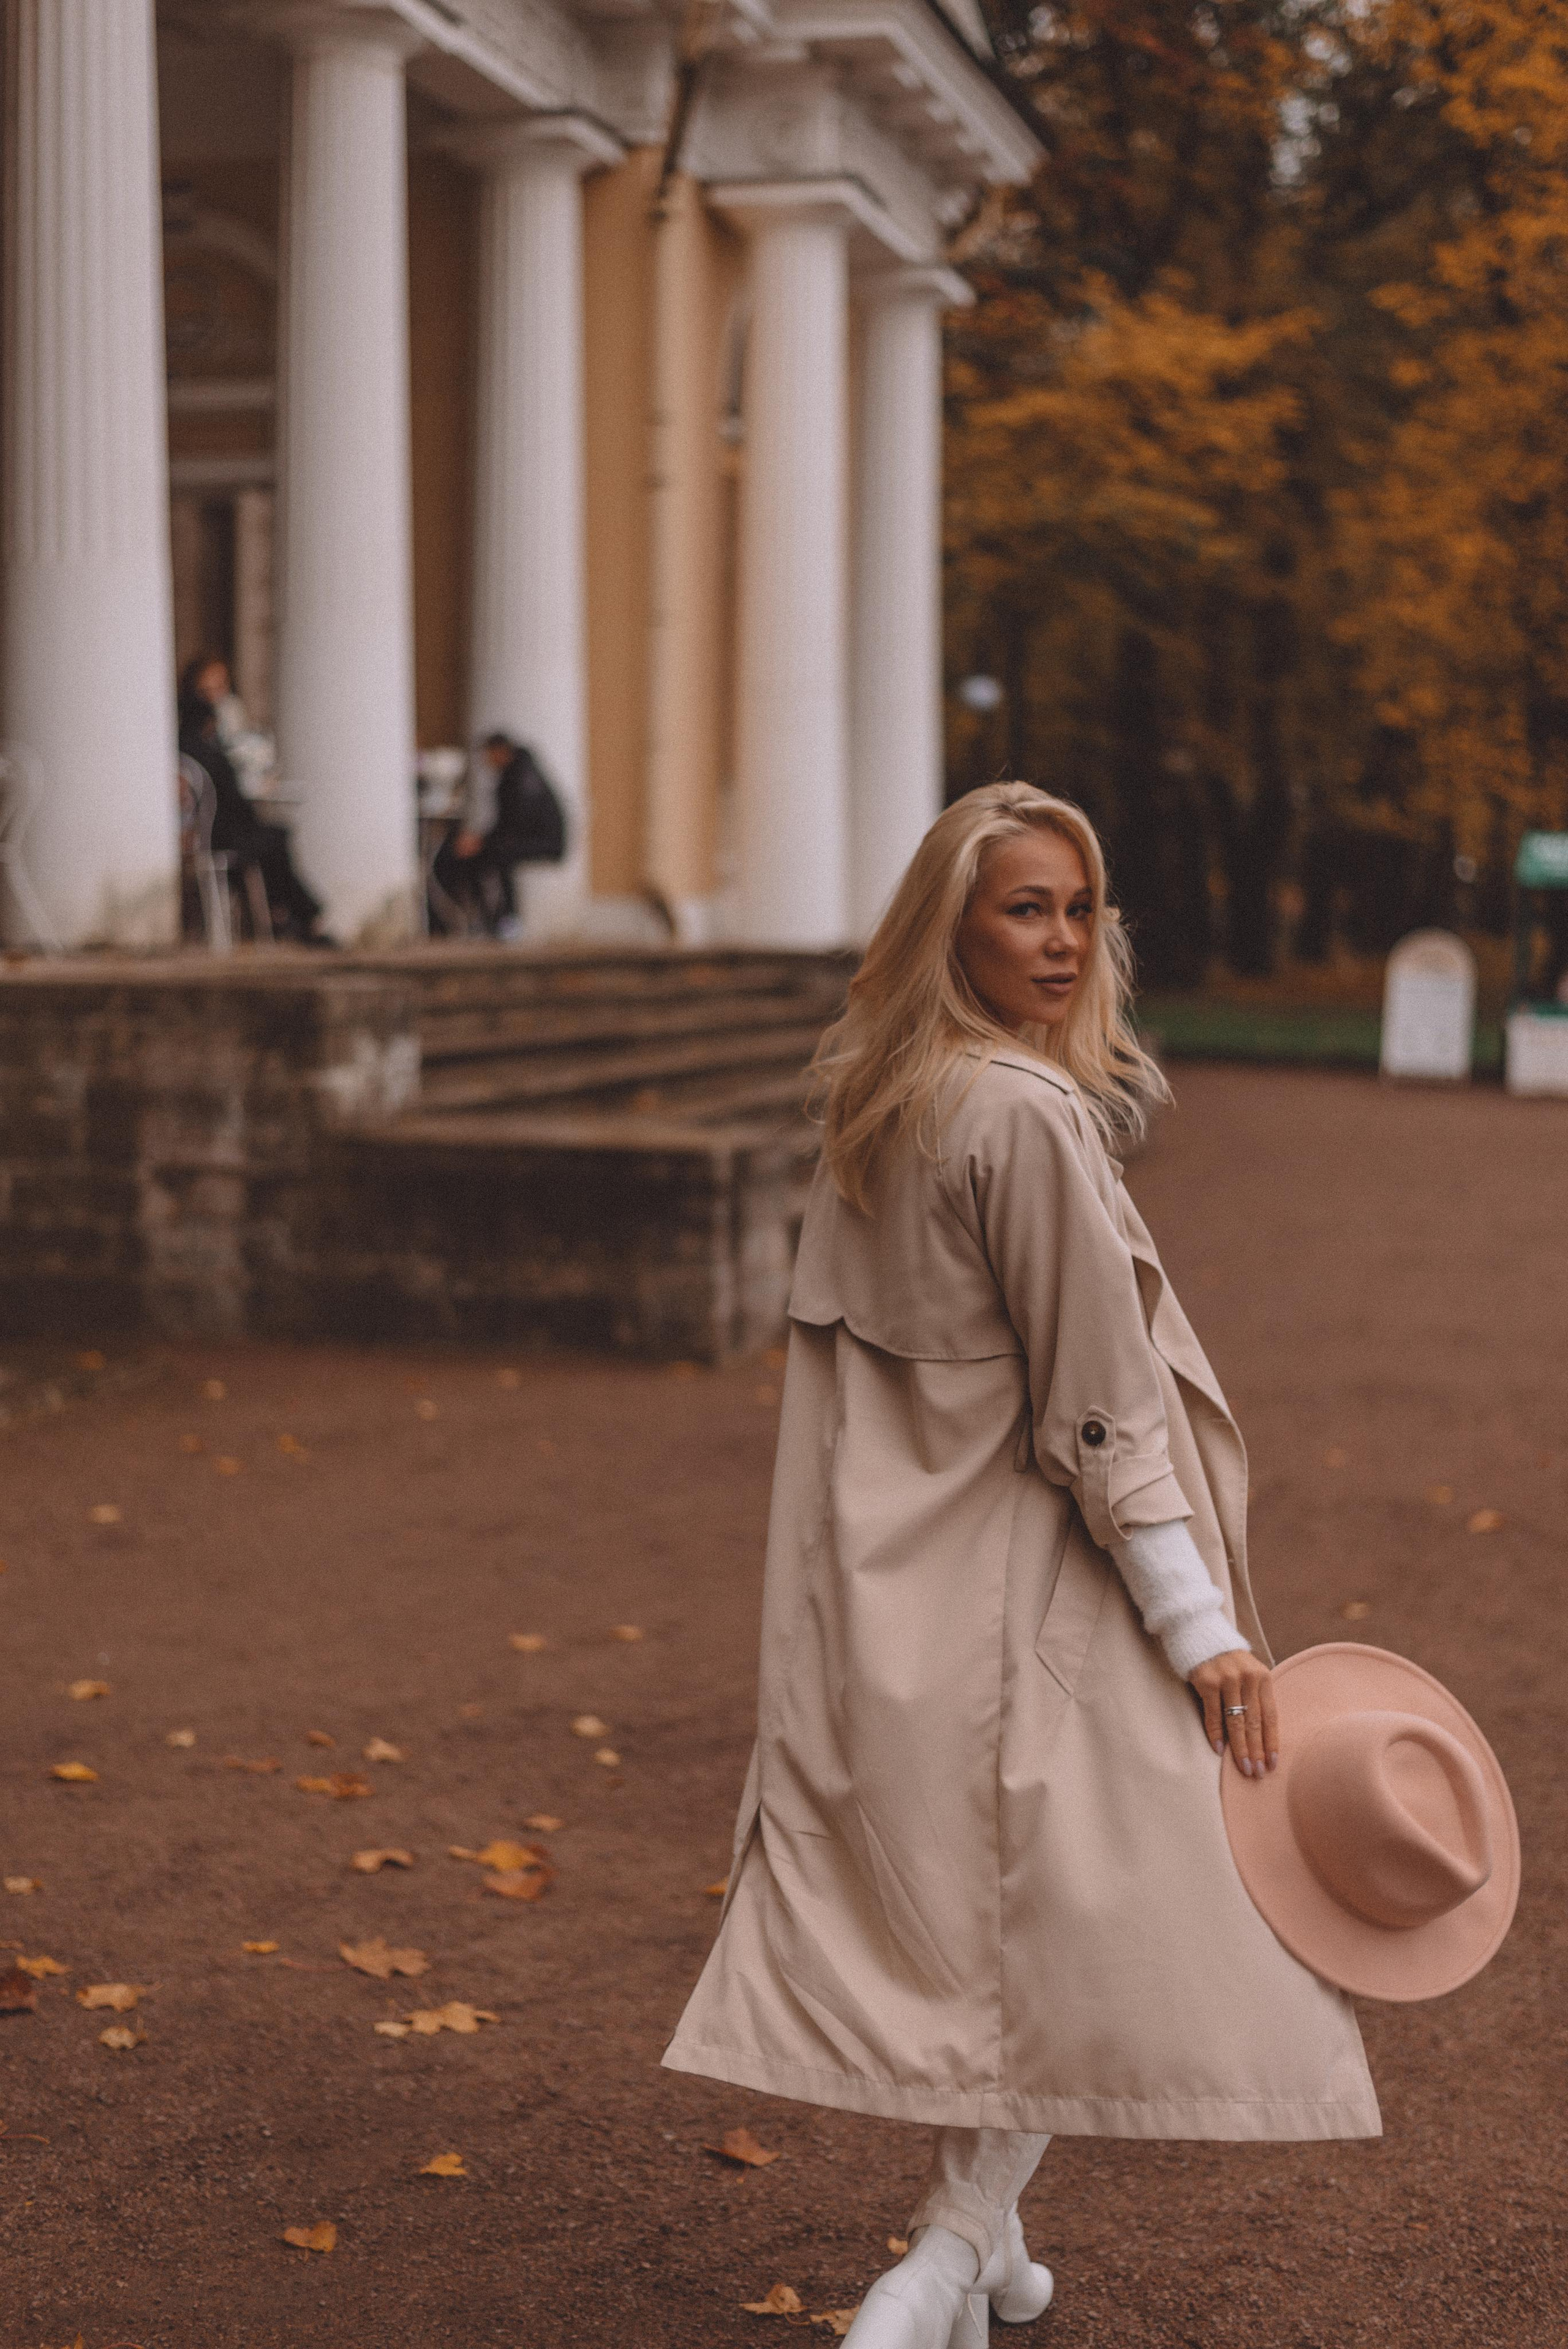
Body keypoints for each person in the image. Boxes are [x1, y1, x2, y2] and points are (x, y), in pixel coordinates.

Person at [663, 782, 1379, 2347]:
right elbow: (1102, 1408)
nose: (1059, 941)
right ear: (951, 926)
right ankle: (938, 2261)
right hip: (1041, 1591)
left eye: (1075, 908)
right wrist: (1199, 1625)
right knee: (1135, 1906)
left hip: (894, 1589)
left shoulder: (880, 1100)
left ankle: (982, 2252)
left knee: (1011, 1925)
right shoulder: (1022, 1118)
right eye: (1020, 908)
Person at [178, 656, 330, 944]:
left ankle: (286, 915)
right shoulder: (205, 750)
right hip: (217, 837)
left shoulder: (201, 742)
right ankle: (299, 917)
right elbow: (232, 797)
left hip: (218, 833)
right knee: (272, 840)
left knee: (268, 842)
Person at [431, 733, 565, 940]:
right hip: (531, 839)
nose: (486, 762)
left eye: (488, 755)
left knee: (499, 857)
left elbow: (517, 824)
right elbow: (509, 824)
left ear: (500, 751)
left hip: (543, 843)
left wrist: (481, 841)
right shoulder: (518, 774)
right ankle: (488, 921)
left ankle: (507, 921)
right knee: (478, 857)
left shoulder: (521, 778)